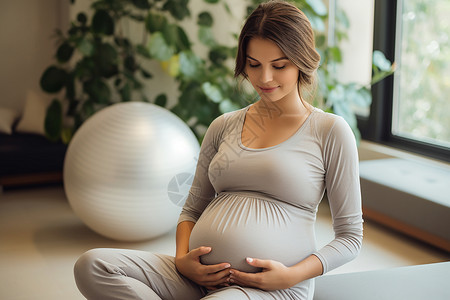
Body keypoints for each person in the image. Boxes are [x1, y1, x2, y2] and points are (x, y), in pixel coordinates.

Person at [73, 1, 363, 299]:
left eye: (279, 66)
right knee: (93, 265)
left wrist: (290, 275)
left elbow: (351, 238)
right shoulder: (224, 125)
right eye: (253, 64)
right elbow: (192, 208)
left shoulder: (330, 130)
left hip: (271, 289)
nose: (264, 78)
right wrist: (183, 260)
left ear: (302, 61)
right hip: (194, 279)